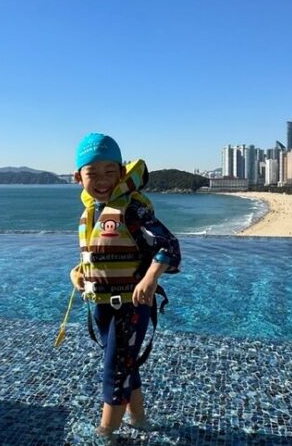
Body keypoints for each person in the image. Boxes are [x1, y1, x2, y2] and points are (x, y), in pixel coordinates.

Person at [69, 133, 181, 442]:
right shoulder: (92, 211)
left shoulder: (131, 210)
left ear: (121, 173)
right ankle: (139, 419)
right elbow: (96, 257)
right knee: (124, 365)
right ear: (79, 177)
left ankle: (105, 435)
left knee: (113, 372)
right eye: (93, 173)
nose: (102, 180)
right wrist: (76, 274)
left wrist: (150, 278)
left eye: (110, 172)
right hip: (102, 306)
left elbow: (168, 245)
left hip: (129, 306)